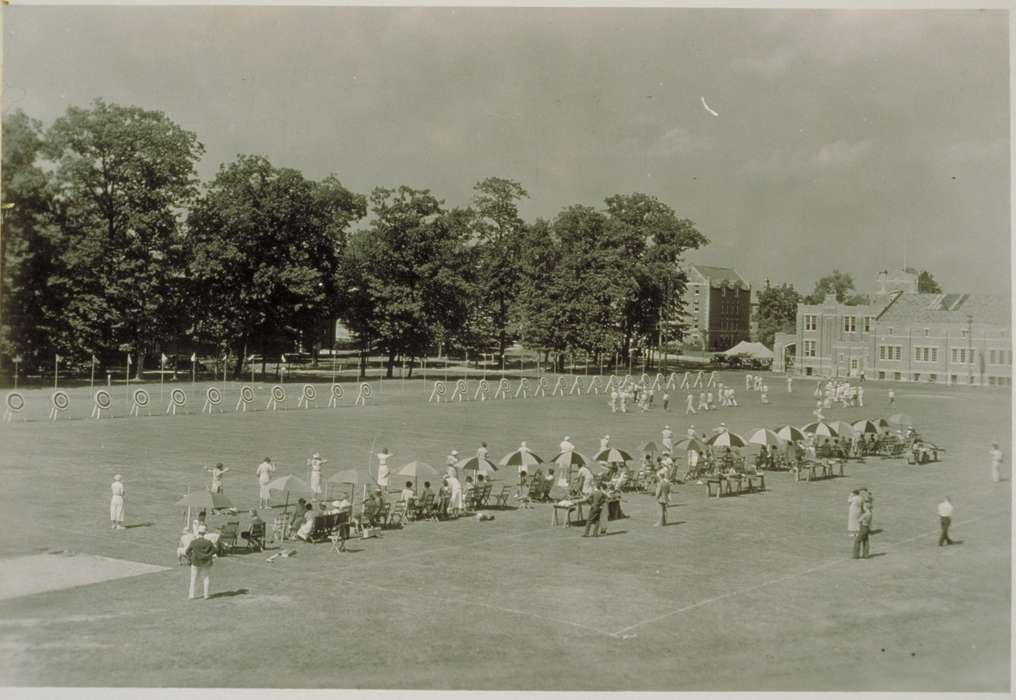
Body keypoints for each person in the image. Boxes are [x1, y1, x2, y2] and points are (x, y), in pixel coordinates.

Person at [185, 525, 217, 600]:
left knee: (193, 579)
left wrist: (191, 557)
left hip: (195, 562)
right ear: (205, 533)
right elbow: (215, 550)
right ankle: (206, 595)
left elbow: (187, 552)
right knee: (206, 578)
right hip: (206, 563)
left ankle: (191, 595)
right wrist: (209, 555)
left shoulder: (194, 542)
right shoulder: (208, 542)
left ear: (198, 532)